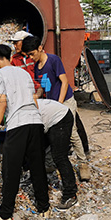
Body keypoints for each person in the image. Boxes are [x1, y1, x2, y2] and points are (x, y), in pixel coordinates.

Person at [0, 44, 50, 220]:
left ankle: (5, 215)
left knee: (11, 169)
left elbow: (2, 103)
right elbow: (33, 98)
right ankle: (44, 208)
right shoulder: (24, 73)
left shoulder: (0, 74)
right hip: (35, 122)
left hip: (18, 124)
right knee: (37, 167)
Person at [0, 98, 78, 211]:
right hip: (48, 120)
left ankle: (70, 194)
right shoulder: (14, 113)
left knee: (59, 156)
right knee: (35, 151)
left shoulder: (16, 116)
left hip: (60, 117)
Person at [22, 36, 90, 181]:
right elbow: (42, 87)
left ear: (40, 48)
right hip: (52, 103)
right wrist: (35, 97)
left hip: (65, 101)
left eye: (32, 54)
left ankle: (83, 164)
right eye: (28, 55)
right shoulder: (36, 67)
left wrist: (58, 103)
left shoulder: (53, 60)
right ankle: (51, 163)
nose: (31, 57)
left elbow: (64, 83)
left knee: (72, 133)